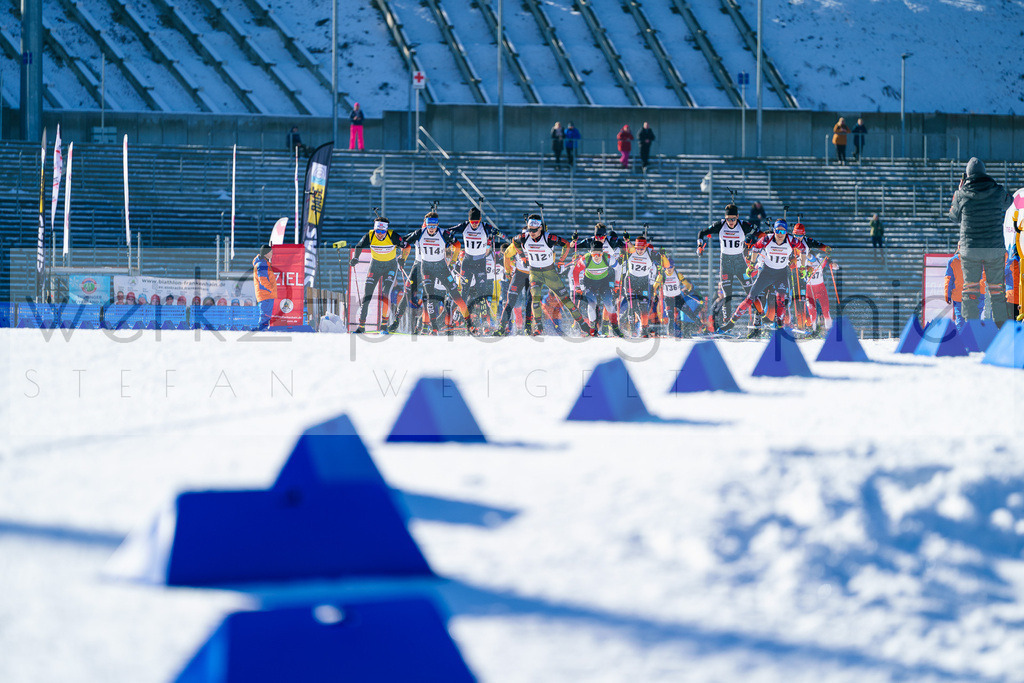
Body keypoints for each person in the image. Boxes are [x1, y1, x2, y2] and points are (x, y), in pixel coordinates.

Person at [948, 157, 1013, 325]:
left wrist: (959, 190)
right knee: (997, 290)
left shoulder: (961, 193)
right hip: (994, 248)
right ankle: (1001, 330)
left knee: (970, 289)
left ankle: (972, 329)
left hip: (970, 249)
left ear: (967, 175)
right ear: (984, 173)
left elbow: (953, 216)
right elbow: (1009, 201)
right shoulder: (997, 191)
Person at [512, 214, 593, 336]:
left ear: (540, 228)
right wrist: (523, 257)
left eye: (534, 230)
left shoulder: (549, 237)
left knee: (566, 300)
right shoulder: (524, 237)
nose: (531, 232)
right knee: (535, 299)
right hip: (534, 272)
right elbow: (514, 241)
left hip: (550, 273)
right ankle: (538, 327)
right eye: (529, 229)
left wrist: (561, 261)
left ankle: (584, 326)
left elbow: (566, 244)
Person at [720, 219, 806, 333]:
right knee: (750, 298)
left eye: (783, 232)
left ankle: (780, 326)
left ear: (786, 232)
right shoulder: (768, 238)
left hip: (781, 273)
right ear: (774, 231)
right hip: (767, 272)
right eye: (778, 231)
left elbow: (803, 249)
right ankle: (730, 323)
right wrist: (751, 265)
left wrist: (802, 266)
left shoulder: (791, 240)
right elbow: (755, 247)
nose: (780, 235)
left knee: (781, 298)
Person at [394, 210, 463, 334]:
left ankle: (424, 325)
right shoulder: (419, 234)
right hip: (418, 265)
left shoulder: (436, 233)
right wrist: (398, 252)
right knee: (408, 291)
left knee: (429, 297)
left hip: (433, 266)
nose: (428, 229)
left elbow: (448, 244)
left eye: (431, 226)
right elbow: (403, 242)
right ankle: (397, 319)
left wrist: (451, 259)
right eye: (426, 226)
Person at [449, 207, 508, 334]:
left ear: (480, 220)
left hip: (480, 263)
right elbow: (450, 231)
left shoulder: (485, 226)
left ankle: (485, 323)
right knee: (464, 291)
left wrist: (501, 235)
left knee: (482, 294)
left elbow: (499, 233)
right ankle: (460, 317)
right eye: (472, 222)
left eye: (476, 222)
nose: (474, 224)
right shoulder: (465, 226)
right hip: (467, 261)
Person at [697, 203, 757, 325]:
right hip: (726, 263)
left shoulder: (742, 225)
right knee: (726, 293)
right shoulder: (720, 225)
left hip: (740, 263)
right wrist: (699, 246)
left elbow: (757, 232)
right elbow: (702, 232)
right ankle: (726, 323)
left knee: (751, 292)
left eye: (733, 219)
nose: (731, 222)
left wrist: (751, 241)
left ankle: (757, 321)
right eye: (728, 219)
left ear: (737, 217)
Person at [350, 216, 404, 333]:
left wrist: (402, 258)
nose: (379, 234)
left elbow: (405, 245)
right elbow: (359, 246)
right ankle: (361, 326)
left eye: (382, 231)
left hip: (390, 266)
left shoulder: (392, 235)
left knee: (385, 294)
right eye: (377, 231)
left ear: (386, 230)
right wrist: (355, 258)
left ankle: (384, 326)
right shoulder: (370, 235)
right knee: (367, 295)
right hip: (375, 266)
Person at [945, 241, 986, 329]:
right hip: (976, 295)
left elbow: (948, 280)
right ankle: (974, 342)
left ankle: (962, 341)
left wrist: (947, 295)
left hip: (960, 296)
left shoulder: (953, 261)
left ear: (959, 247)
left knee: (961, 322)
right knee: (975, 322)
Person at [253, 244, 276, 331]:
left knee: (266, 314)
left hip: (266, 293)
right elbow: (262, 280)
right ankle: (262, 329)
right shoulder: (261, 264)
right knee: (265, 314)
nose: (272, 253)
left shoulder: (264, 263)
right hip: (265, 293)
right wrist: (271, 289)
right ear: (266, 253)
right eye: (271, 252)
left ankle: (263, 329)